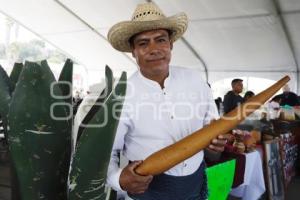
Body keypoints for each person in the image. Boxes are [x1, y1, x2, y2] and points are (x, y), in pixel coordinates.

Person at [106, 2, 228, 200]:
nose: (154, 49)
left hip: (196, 183)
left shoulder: (196, 80)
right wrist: (118, 179)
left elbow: (211, 126)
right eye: (143, 43)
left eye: (160, 40)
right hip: (149, 190)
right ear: (133, 51)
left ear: (170, 44)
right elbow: (106, 153)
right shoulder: (122, 95)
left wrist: (215, 142)